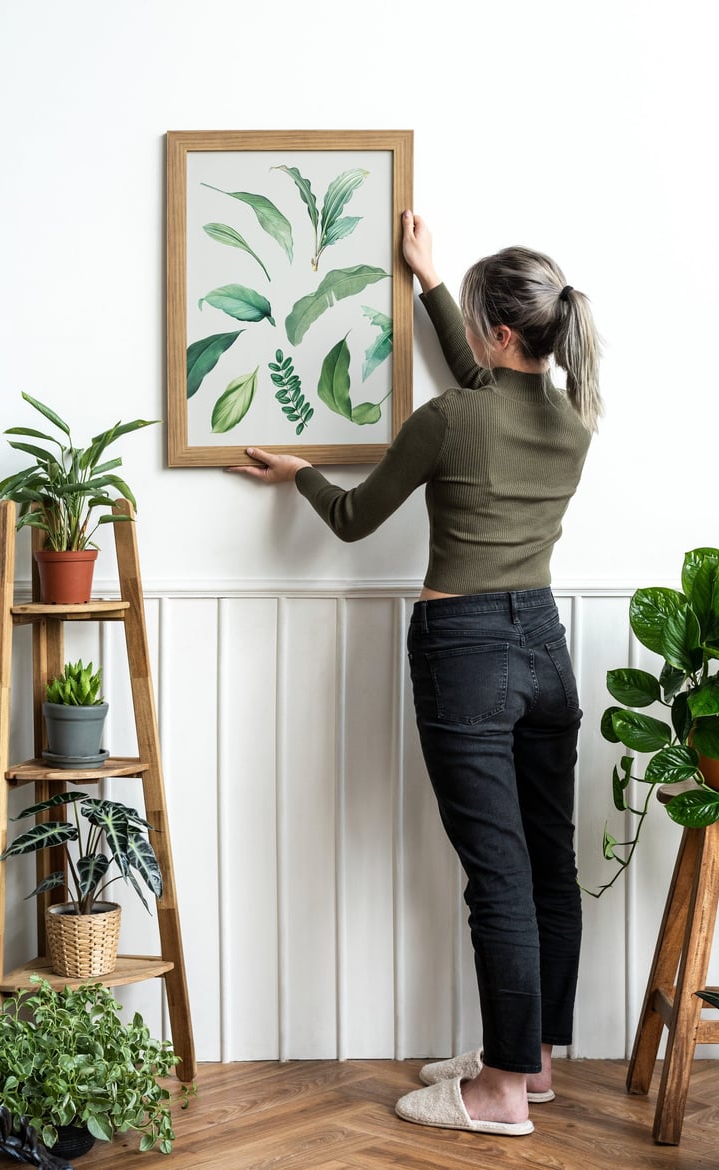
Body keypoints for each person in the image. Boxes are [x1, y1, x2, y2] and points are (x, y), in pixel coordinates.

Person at [229, 211, 602, 1138]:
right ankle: (538, 1060)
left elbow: (355, 518)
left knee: (500, 877)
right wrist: (432, 281)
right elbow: (490, 387)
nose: (470, 339)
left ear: (504, 334)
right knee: (546, 867)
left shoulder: (448, 420)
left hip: (466, 653)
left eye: (478, 322)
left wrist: (305, 471)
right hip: (546, 650)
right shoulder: (573, 419)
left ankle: (501, 1093)